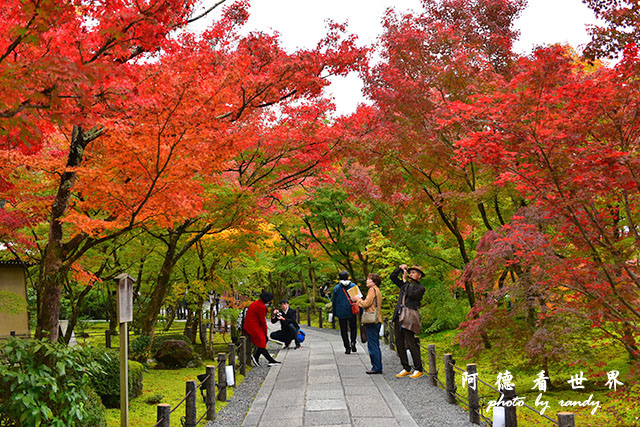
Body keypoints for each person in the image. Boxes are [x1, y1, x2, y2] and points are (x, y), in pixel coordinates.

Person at [390, 264, 426, 379]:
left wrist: (405, 281)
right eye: (410, 272)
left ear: (419, 276)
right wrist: (399, 269)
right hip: (399, 316)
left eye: (414, 272)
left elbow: (411, 294)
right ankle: (406, 367)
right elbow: (393, 277)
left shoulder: (420, 288)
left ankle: (418, 368)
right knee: (399, 343)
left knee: (410, 342)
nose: (411, 274)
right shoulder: (405, 285)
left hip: (409, 318)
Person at [353, 273, 383, 374]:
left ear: (374, 281)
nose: (367, 281)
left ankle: (376, 367)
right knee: (375, 343)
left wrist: (358, 300)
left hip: (372, 320)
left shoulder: (372, 290)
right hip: (377, 319)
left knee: (373, 344)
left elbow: (366, 304)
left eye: (369, 279)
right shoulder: (377, 290)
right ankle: (377, 366)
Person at [242, 291, 281, 367]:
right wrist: (265, 332)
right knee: (262, 341)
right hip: (253, 326)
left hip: (251, 325)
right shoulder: (261, 307)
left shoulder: (256, 303)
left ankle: (256, 357)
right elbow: (263, 321)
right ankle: (269, 360)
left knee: (263, 341)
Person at [331, 270, 360, 354]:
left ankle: (347, 347)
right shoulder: (353, 286)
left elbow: (334, 301)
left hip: (341, 311)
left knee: (343, 330)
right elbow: (357, 299)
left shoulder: (337, 288)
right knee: (353, 327)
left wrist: (334, 312)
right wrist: (360, 310)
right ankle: (353, 342)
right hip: (352, 310)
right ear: (348, 277)